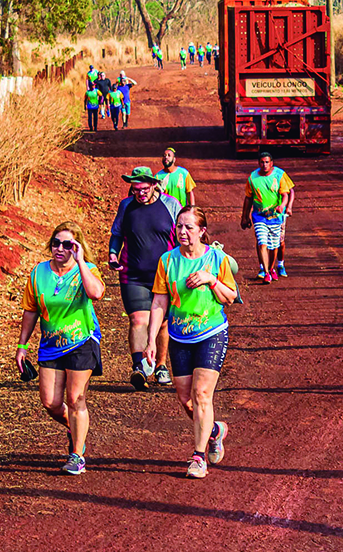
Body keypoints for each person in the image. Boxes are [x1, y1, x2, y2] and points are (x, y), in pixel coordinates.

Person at [145, 206, 238, 479]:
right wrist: (151, 340)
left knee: (201, 394)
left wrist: (211, 280)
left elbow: (231, 297)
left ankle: (198, 457)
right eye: (179, 226)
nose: (183, 231)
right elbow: (159, 302)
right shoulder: (167, 261)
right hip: (179, 336)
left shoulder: (217, 259)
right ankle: (215, 431)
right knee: (186, 399)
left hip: (212, 333)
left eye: (189, 227)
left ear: (202, 231)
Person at [16, 221, 105, 475]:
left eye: (68, 244)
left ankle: (77, 455)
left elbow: (96, 293)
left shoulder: (87, 270)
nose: (60, 248)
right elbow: (31, 310)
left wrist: (80, 262)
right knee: (51, 403)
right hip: (50, 344)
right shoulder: (38, 273)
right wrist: (22, 345)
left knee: (75, 398)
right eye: (56, 243)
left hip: (82, 341)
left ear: (77, 246)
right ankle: (75, 430)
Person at [109, 167, 181, 389]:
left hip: (165, 276)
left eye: (144, 189)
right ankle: (139, 367)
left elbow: (183, 235)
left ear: (154, 185)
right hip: (133, 274)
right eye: (136, 189)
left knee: (163, 323)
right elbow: (117, 234)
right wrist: (113, 254)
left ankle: (160, 365)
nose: (140, 193)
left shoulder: (171, 205)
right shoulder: (126, 206)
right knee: (138, 320)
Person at [240, 151, 294, 284]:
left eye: (267, 162)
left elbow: (288, 193)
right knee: (262, 243)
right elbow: (248, 198)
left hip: (276, 217)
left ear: (271, 163)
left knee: (276, 245)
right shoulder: (252, 178)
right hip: (259, 217)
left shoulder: (280, 175)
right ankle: (265, 271)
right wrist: (244, 216)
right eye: (262, 162)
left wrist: (285, 206)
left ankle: (275, 266)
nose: (264, 165)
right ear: (258, 163)